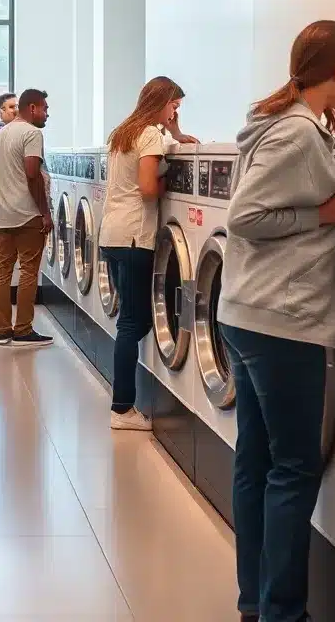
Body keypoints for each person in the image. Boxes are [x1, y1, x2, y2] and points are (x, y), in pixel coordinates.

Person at [220, 20, 335, 622]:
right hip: (283, 321)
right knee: (293, 467)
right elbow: (245, 216)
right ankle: (283, 611)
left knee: (256, 461)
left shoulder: (277, 127)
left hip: (248, 312)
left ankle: (256, 602)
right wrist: (325, 215)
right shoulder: (296, 135)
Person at [99, 77, 198, 431]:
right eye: (174, 106)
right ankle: (122, 408)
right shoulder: (150, 136)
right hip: (134, 237)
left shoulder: (123, 132)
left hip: (112, 234)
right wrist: (168, 179)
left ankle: (123, 404)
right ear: (162, 102)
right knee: (134, 322)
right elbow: (146, 188)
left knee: (131, 319)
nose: (175, 112)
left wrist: (176, 131)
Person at [0, 88, 54, 347]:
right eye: (45, 109)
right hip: (26, 214)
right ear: (33, 108)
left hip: (1, 214)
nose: (47, 114)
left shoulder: (0, 135)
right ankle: (24, 329)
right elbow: (32, 173)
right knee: (28, 270)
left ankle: (2, 329)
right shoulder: (31, 133)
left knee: (3, 271)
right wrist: (45, 212)